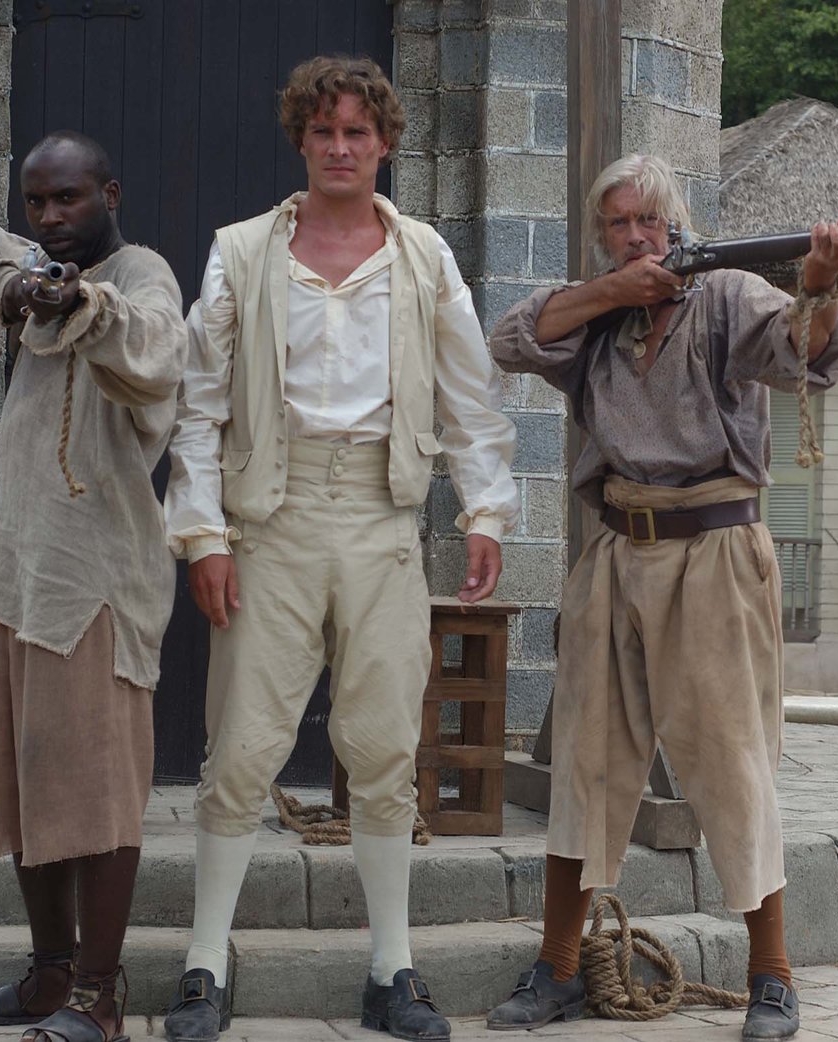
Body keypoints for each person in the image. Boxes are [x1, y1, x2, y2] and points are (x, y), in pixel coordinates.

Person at [161, 56, 520, 1042]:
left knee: (383, 746)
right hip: (268, 520)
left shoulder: (424, 257)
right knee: (241, 745)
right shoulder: (242, 253)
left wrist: (485, 513)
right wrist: (203, 534)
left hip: (380, 517)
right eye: (323, 131)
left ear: (385, 142)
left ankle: (390, 969)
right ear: (300, 139)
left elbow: (470, 394)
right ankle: (203, 965)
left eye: (357, 131)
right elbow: (198, 402)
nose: (339, 147)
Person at [485, 152, 838, 1040]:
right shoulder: (598, 318)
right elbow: (510, 339)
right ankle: (559, 968)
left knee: (733, 765)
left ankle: (773, 977)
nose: (635, 235)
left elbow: (805, 352)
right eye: (617, 223)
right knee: (584, 762)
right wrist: (611, 292)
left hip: (715, 551)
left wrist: (818, 284)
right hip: (617, 550)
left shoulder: (724, 295)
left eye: (648, 220)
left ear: (675, 224)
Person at [0, 132, 189, 1042]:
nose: (50, 216)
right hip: (21, 575)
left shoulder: (142, 274)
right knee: (28, 788)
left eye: (68, 198)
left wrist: (84, 303)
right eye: (36, 201)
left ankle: (100, 999)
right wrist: (21, 287)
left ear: (108, 193)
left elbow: (156, 350)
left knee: (100, 794)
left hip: (97, 581)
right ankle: (49, 978)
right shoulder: (34, 267)